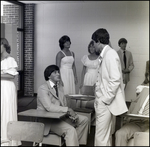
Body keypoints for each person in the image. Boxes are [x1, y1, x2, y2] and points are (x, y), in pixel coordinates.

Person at [91, 28, 128, 146]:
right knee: (104, 135)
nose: (93, 46)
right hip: (102, 101)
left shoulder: (110, 54)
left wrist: (104, 100)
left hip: (105, 102)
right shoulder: (106, 54)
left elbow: (115, 79)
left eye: (93, 43)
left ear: (98, 41)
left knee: (101, 136)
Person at [37, 65, 88, 146]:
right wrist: (68, 110)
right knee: (70, 130)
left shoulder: (60, 88)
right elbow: (49, 107)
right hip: (48, 121)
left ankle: (75, 143)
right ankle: (72, 143)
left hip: (61, 117)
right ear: (48, 76)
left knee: (84, 120)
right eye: (55, 72)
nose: (58, 74)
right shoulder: (43, 88)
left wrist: (70, 115)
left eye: (58, 72)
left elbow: (63, 105)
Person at [1, 38, 21, 146]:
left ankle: (8, 138)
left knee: (7, 109)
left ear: (4, 46)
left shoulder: (10, 60)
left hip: (7, 87)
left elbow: (11, 75)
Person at [56, 35, 78, 108]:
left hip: (70, 74)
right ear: (62, 43)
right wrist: (60, 79)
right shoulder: (60, 54)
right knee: (65, 91)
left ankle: (71, 108)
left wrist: (75, 76)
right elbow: (57, 68)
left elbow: (73, 66)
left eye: (68, 41)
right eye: (65, 42)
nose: (68, 43)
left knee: (71, 91)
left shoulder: (72, 53)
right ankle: (63, 108)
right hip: (63, 74)